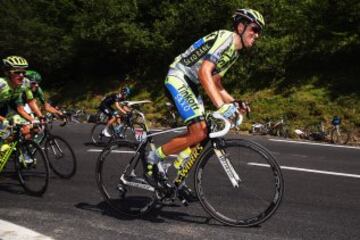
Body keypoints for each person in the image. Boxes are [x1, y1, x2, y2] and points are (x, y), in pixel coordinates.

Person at [144, 9, 265, 195]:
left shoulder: (234, 53)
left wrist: (234, 102)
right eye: (254, 29)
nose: (256, 35)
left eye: (259, 32)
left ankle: (174, 174)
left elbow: (216, 82)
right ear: (241, 27)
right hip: (178, 76)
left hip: (191, 84)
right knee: (199, 130)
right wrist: (221, 106)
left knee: (203, 131)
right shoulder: (226, 38)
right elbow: (204, 72)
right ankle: (153, 158)